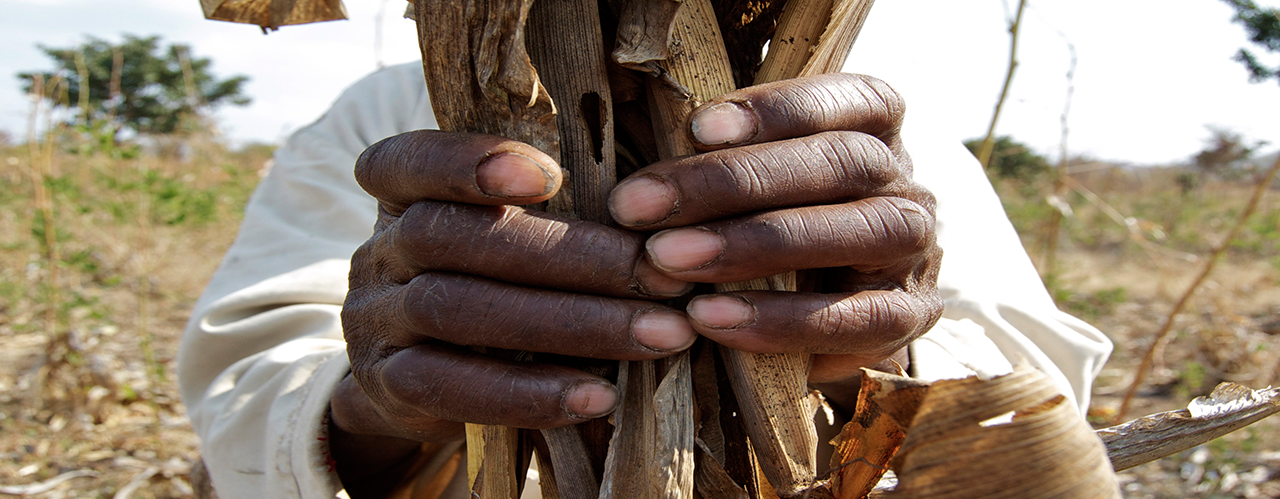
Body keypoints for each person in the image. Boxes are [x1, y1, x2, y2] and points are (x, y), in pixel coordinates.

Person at [178, 48, 1112, 499]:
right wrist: (374, 401)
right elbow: (243, 389)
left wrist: (879, 356)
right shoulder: (388, 108)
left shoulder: (864, 131)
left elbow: (1038, 379)